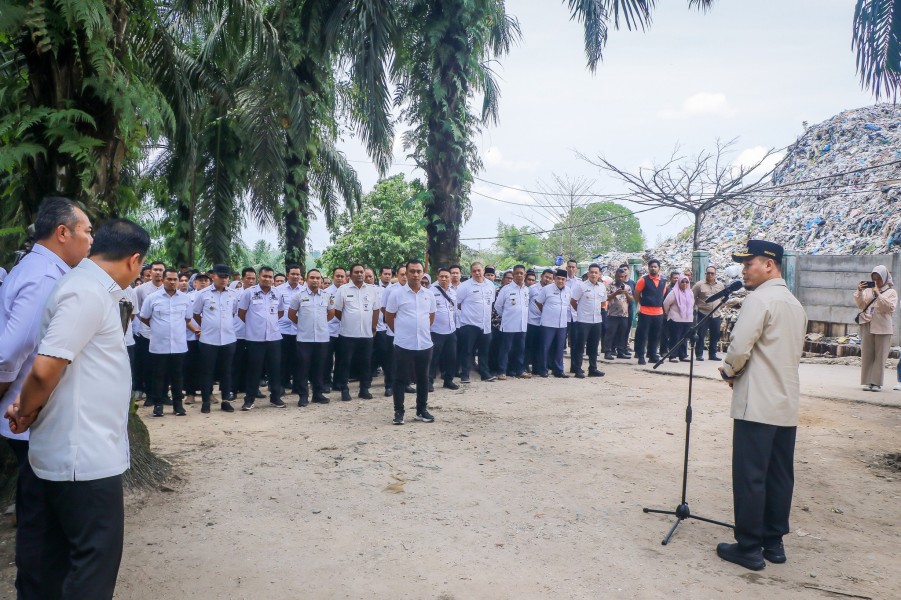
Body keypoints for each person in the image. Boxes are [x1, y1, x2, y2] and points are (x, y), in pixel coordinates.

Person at [5, 218, 149, 600]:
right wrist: (26, 410)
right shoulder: (86, 291)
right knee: (93, 564)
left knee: (56, 561)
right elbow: (45, 368)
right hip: (81, 458)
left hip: (80, 450)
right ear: (134, 260)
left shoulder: (92, 288)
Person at [0, 196, 93, 598]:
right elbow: (10, 351)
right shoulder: (43, 277)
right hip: (28, 419)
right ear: (63, 233)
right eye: (87, 231)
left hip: (27, 416)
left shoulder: (38, 267)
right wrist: (11, 398)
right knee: (39, 519)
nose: (91, 240)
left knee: (41, 515)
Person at [716, 240, 807, 571]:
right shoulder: (795, 304)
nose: (743, 270)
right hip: (786, 403)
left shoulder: (759, 299)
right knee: (779, 474)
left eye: (748, 263)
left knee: (751, 474)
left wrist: (729, 371)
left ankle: (749, 547)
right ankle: (773, 542)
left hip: (757, 403)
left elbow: (740, 347)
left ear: (769, 265)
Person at [385, 259, 436, 425]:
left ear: (423, 273)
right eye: (412, 271)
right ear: (406, 273)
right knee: (400, 379)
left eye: (418, 271)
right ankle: (399, 412)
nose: (415, 274)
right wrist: (401, 333)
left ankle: (421, 410)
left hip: (424, 344)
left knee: (423, 379)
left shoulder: (429, 294)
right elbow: (389, 318)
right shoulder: (396, 294)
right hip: (403, 344)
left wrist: (420, 330)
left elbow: (431, 317)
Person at [139, 268, 195, 416]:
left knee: (177, 376)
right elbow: (144, 317)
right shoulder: (152, 298)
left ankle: (178, 405)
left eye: (174, 279)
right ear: (163, 280)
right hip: (159, 344)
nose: (172, 282)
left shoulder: (185, 299)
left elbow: (188, 319)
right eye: (169, 279)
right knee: (158, 375)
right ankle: (158, 405)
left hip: (179, 345)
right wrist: (158, 328)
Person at [237, 266, 286, 410]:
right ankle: (249, 399)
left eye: (270, 277)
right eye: (265, 276)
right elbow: (241, 313)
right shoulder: (249, 293)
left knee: (275, 369)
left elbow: (281, 312)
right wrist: (255, 325)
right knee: (254, 370)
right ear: (259, 277)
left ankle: (275, 398)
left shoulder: (277, 293)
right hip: (255, 339)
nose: (268, 279)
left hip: (274, 338)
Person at [193, 264, 239, 413]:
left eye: (226, 276)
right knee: (207, 371)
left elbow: (233, 312)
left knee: (226, 371)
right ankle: (206, 401)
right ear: (213, 276)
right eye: (221, 276)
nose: (224, 279)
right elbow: (196, 314)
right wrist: (206, 327)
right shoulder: (203, 294)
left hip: (228, 339)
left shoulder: (233, 294)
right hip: (208, 340)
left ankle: (225, 400)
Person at [332, 264, 379, 401]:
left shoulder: (372, 290)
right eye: (356, 272)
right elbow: (338, 311)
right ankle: (344, 389)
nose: (359, 274)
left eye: (361, 272)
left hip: (366, 334)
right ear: (350, 275)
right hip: (348, 334)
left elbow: (376, 310)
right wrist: (349, 321)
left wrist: (373, 327)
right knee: (345, 363)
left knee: (366, 363)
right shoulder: (343, 290)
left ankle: (364, 389)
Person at [288, 269, 331, 406]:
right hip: (304, 339)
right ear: (306, 279)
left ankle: (317, 394)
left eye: (318, 278)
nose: (315, 280)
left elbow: (331, 313)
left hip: (322, 338)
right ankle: (303, 395)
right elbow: (291, 314)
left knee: (319, 367)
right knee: (303, 368)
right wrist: (303, 325)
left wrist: (320, 324)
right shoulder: (298, 296)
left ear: (321, 281)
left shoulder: (326, 296)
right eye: (312, 277)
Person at [854, 265, 898, 392]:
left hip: (883, 327)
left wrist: (878, 293)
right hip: (867, 323)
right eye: (874, 279)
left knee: (880, 356)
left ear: (884, 278)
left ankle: (876, 383)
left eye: (879, 279)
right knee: (867, 354)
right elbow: (861, 305)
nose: (876, 282)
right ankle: (868, 382)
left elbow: (889, 308)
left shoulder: (891, 292)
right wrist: (859, 292)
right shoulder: (868, 290)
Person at [456, 262, 497, 383]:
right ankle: (465, 375)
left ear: (483, 270)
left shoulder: (490, 285)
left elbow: (491, 302)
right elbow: (458, 304)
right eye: (474, 271)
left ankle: (485, 374)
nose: (477, 273)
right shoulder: (464, 286)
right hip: (469, 324)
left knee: (484, 351)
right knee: (467, 351)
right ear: (470, 272)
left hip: (485, 324)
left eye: (479, 270)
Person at [133, 260, 165, 402]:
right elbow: (138, 310)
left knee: (164, 366)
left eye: (161, 270)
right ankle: (150, 395)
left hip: (165, 335)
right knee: (148, 365)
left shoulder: (168, 288)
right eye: (155, 270)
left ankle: (164, 395)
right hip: (146, 333)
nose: (158, 273)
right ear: (150, 272)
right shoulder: (141, 289)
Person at [493, 265, 532, 379]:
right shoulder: (506, 289)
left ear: (524, 275)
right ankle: (502, 371)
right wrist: (506, 316)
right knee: (505, 349)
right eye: (517, 273)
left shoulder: (526, 289)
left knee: (520, 349)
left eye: (521, 273)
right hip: (509, 325)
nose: (519, 275)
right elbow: (498, 306)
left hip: (522, 325)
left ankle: (520, 370)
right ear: (513, 275)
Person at [569, 263, 607, 377]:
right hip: (583, 321)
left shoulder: (602, 287)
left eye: (596, 272)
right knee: (580, 346)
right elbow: (573, 301)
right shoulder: (581, 286)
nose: (594, 274)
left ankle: (593, 368)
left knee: (594, 346)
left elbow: (603, 302)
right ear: (588, 273)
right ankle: (577, 369)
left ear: (600, 274)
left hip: (597, 321)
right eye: (591, 272)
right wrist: (580, 311)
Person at [535, 269, 572, 378]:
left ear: (566, 280)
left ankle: (558, 370)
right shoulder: (547, 289)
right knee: (545, 347)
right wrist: (546, 312)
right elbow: (538, 302)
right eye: (559, 278)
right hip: (548, 323)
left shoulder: (569, 290)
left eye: (563, 279)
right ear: (555, 279)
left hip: (562, 324)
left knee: (560, 348)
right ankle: (543, 369)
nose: (561, 281)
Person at [276, 265, 305, 394]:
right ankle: (281, 385)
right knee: (282, 359)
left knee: (298, 360)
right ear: (287, 275)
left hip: (299, 330)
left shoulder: (305, 290)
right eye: (293, 274)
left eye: (297, 274)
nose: (295, 276)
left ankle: (297, 386)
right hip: (282, 330)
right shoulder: (278, 290)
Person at [429, 267, 459, 391]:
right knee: (433, 358)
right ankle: (429, 381)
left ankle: (448, 380)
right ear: (438, 277)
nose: (444, 279)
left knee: (451, 357)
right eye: (442, 276)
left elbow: (455, 310)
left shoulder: (453, 291)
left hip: (451, 330)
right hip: (436, 331)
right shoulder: (431, 291)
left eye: (447, 276)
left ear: (450, 278)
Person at [633, 258, 667, 365]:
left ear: (659, 268)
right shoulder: (643, 280)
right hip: (645, 312)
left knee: (655, 335)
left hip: (658, 313)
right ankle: (641, 356)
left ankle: (652, 356)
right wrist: (640, 304)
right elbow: (636, 294)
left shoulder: (663, 281)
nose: (653, 268)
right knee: (642, 335)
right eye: (651, 266)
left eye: (655, 267)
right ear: (648, 268)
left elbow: (662, 294)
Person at [231, 267, 256, 398]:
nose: (251, 281)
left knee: (253, 363)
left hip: (255, 334)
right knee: (236, 362)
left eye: (253, 278)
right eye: (248, 278)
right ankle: (232, 389)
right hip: (239, 332)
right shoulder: (235, 294)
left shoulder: (259, 293)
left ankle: (252, 389)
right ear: (242, 279)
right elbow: (233, 312)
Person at [693, 265, 726, 361]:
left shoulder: (720, 285)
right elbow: (692, 298)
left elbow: (723, 297)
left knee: (715, 335)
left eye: (712, 273)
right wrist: (694, 309)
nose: (710, 275)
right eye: (708, 273)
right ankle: (699, 354)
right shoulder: (699, 285)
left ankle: (713, 354)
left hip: (716, 314)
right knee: (701, 335)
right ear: (705, 274)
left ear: (716, 275)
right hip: (703, 313)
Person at [323, 267, 347, 392]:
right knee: (327, 359)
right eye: (337, 276)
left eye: (342, 276)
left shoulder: (348, 290)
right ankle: (326, 382)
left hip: (344, 330)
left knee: (342, 358)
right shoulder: (326, 292)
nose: (340, 278)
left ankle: (338, 382)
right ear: (333, 277)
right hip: (330, 329)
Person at [662, 274, 694, 362]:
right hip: (676, 319)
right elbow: (666, 303)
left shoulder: (690, 292)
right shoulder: (674, 292)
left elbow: (692, 305)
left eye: (686, 282)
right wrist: (669, 313)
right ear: (679, 283)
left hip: (687, 319)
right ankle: (673, 355)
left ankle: (683, 355)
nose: (684, 284)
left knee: (684, 338)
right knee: (675, 338)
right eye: (682, 282)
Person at [604, 268, 633, 359]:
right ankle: (608, 351)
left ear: (625, 277)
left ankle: (620, 351)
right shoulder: (610, 286)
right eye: (618, 277)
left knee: (622, 333)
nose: (620, 278)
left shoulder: (627, 287)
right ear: (615, 276)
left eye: (622, 277)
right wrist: (616, 293)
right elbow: (606, 298)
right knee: (610, 334)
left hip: (624, 314)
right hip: (613, 314)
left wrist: (626, 294)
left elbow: (630, 299)